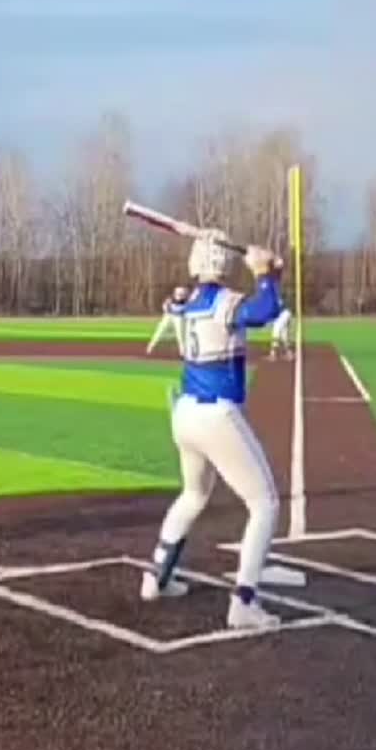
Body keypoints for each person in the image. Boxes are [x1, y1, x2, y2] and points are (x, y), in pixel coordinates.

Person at [140, 230, 284, 633]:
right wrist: (263, 273)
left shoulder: (184, 302)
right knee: (265, 504)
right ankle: (244, 603)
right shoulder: (225, 302)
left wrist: (273, 274)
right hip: (217, 415)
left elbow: (268, 302)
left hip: (184, 413)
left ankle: (156, 577)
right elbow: (266, 311)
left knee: (194, 494)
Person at [145, 285, 189, 356]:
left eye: (182, 295)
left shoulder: (187, 302)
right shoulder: (170, 300)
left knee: (180, 334)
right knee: (160, 331)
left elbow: (186, 310)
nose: (180, 297)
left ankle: (182, 351)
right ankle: (150, 347)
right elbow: (165, 308)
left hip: (179, 317)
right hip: (169, 316)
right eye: (179, 294)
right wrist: (167, 310)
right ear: (175, 293)